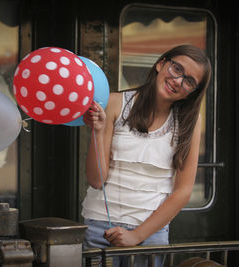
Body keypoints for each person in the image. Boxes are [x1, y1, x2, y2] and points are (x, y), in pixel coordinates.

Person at [81, 44, 212, 266]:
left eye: (189, 81)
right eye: (176, 69)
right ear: (161, 63)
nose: (178, 81)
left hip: (151, 234)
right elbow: (96, 180)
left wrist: (137, 235)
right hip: (101, 226)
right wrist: (99, 130)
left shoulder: (190, 122)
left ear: (193, 91)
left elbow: (183, 192)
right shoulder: (115, 103)